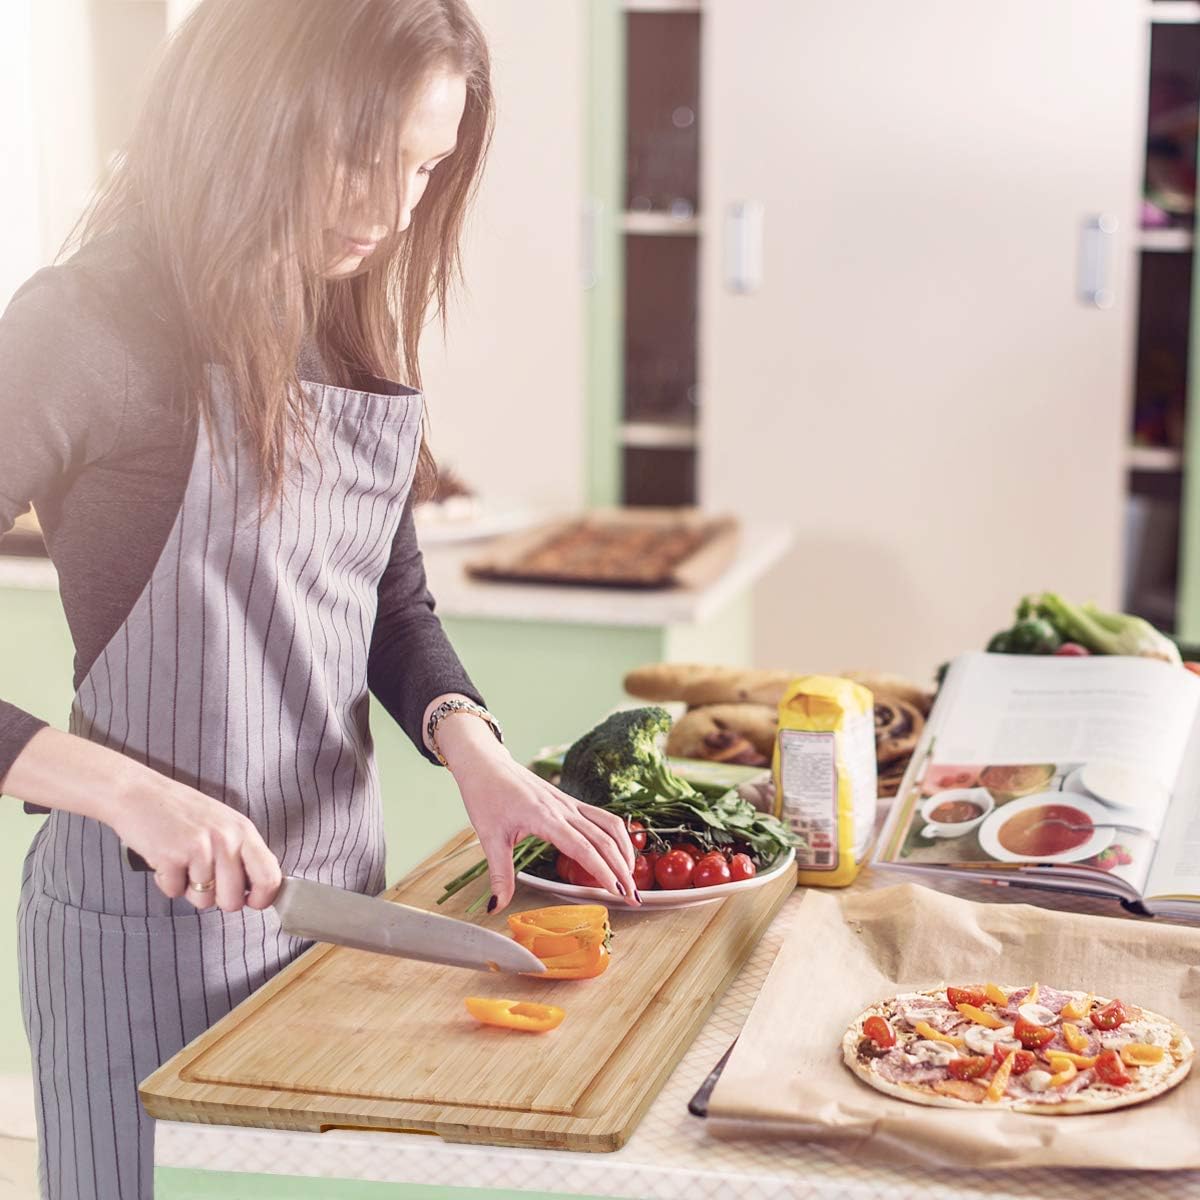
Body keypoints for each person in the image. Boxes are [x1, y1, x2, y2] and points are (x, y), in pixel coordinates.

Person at [0, 2, 638, 1196]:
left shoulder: (336, 319)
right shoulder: (83, 325)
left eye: (426, 167)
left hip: (342, 908)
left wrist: (474, 751)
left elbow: (388, 602)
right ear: (251, 115)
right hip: (144, 936)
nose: (394, 210)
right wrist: (127, 792)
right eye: (363, 157)